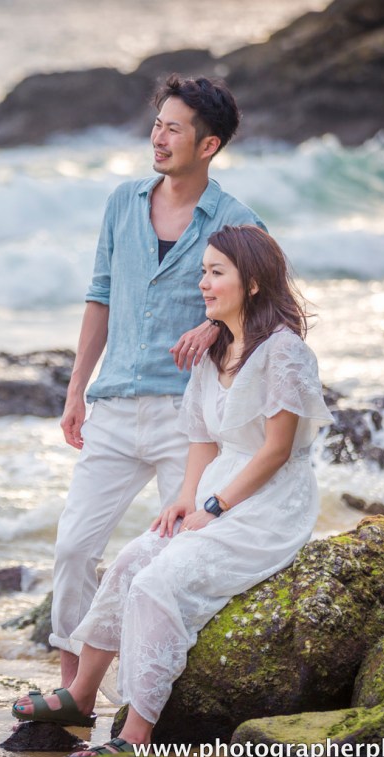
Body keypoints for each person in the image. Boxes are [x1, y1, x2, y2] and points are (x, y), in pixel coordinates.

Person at [13, 224, 332, 757]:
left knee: (157, 584)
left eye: (216, 272)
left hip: (271, 502)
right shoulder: (216, 350)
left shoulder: (285, 353)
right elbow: (202, 437)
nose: (202, 283)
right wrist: (187, 497)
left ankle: (136, 734)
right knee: (130, 562)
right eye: (202, 271)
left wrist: (216, 506)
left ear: (253, 283)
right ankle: (81, 696)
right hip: (217, 487)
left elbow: (276, 450)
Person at [49, 74, 267, 689]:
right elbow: (99, 296)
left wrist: (213, 325)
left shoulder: (237, 222)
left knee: (181, 555)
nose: (159, 138)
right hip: (115, 406)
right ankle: (72, 691)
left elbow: (266, 311)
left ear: (208, 145)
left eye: (174, 129)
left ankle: (158, 688)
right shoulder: (123, 202)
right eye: (157, 125)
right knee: (73, 549)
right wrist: (76, 390)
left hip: (189, 420)